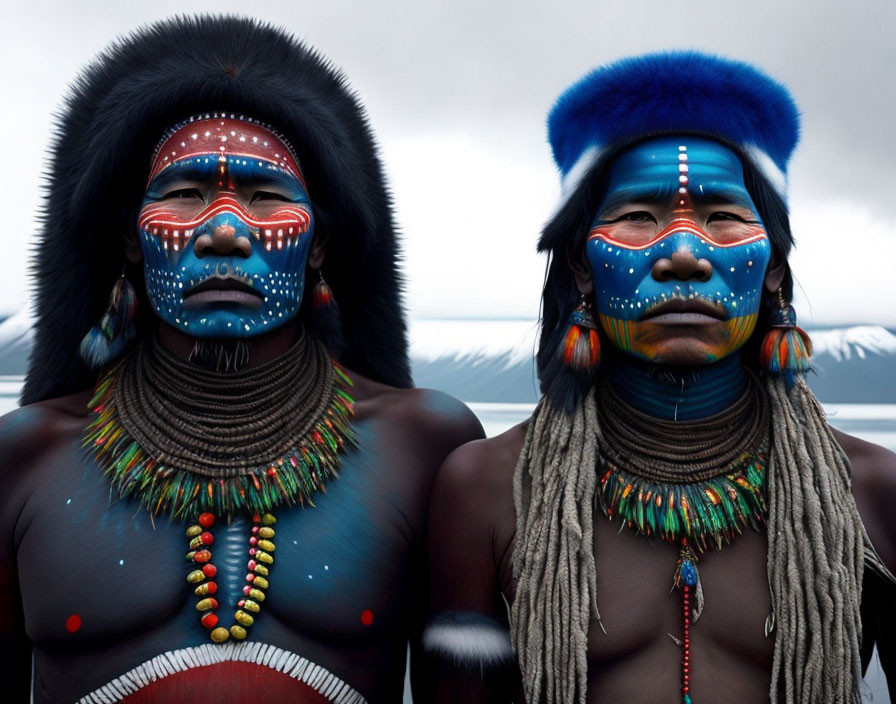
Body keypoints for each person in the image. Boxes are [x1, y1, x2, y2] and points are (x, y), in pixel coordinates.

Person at [0, 16, 482, 703]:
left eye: (266, 197)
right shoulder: (23, 458)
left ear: (319, 243)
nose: (224, 231)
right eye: (184, 193)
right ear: (131, 241)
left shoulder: (427, 446)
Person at [425, 52, 896, 703]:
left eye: (723, 216)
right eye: (639, 216)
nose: (681, 253)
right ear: (582, 267)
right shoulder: (484, 492)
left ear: (774, 270)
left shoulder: (873, 493)